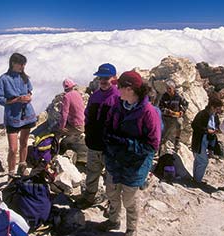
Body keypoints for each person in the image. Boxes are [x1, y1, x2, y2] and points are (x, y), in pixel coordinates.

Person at [100, 71, 161, 236]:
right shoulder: (118, 106)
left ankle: (131, 229)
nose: (117, 90)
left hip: (135, 164)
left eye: (119, 87)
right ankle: (113, 220)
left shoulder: (148, 112)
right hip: (115, 160)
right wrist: (108, 141)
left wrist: (126, 143)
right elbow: (108, 127)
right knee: (112, 192)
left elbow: (152, 145)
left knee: (129, 198)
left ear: (130, 89)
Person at [77, 63, 119, 208]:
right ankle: (89, 197)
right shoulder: (95, 95)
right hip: (94, 143)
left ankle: (111, 203)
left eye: (106, 77)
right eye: (100, 77)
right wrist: (88, 133)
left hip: (109, 147)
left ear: (114, 78)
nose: (103, 80)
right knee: (92, 173)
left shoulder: (118, 97)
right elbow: (87, 115)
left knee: (111, 178)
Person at [0, 53, 37, 177]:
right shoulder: (3, 79)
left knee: (24, 143)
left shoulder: (25, 78)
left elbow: (30, 91)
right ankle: (11, 173)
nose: (23, 66)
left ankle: (22, 166)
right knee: (13, 148)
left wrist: (28, 98)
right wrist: (17, 100)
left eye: (24, 64)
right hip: (13, 116)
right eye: (21, 63)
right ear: (13, 63)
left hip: (27, 114)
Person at [191, 96, 223, 184]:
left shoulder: (215, 117)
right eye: (217, 108)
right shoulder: (202, 114)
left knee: (199, 160)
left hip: (207, 141)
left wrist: (218, 130)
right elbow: (195, 125)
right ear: (212, 107)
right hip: (200, 140)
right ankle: (197, 181)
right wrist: (206, 130)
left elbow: (216, 126)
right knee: (203, 161)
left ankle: (195, 178)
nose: (218, 111)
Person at [159, 80, 188, 153]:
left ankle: (177, 142)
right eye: (167, 88)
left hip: (176, 116)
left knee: (179, 123)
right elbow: (160, 107)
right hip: (166, 118)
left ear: (173, 88)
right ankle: (159, 150)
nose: (168, 90)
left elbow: (185, 104)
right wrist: (167, 111)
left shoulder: (178, 96)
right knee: (164, 134)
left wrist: (182, 111)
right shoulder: (164, 97)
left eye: (170, 88)